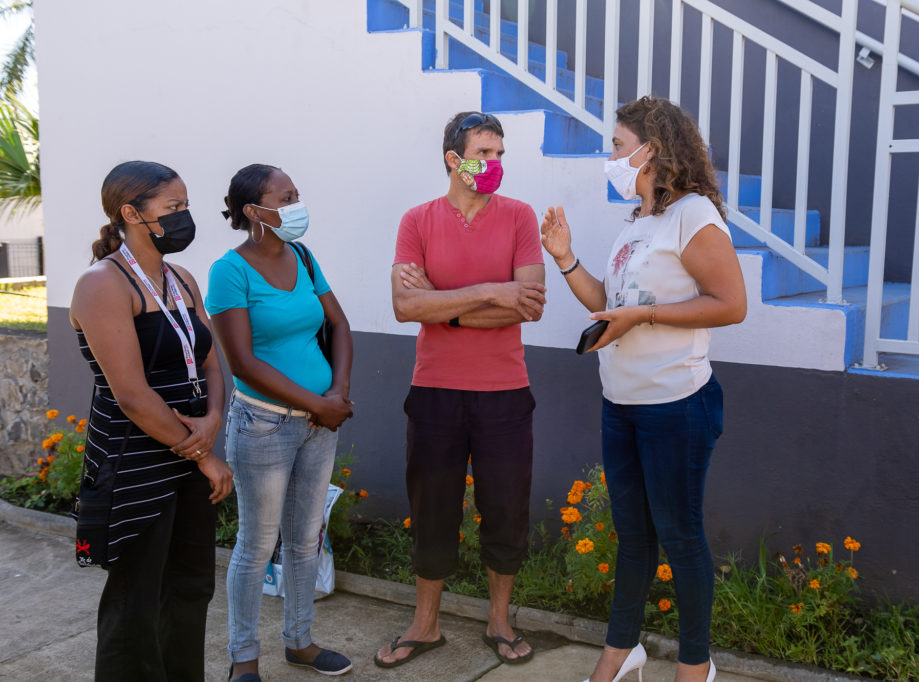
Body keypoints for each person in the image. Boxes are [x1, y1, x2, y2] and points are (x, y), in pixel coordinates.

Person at [541, 96, 747, 682]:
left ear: (649, 150)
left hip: (676, 405)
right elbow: (610, 304)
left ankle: (694, 665)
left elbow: (731, 304)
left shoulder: (694, 216)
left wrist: (646, 317)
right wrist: (565, 258)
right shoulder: (637, 221)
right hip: (621, 403)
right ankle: (621, 650)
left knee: (680, 537)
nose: (610, 157)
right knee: (633, 536)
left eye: (616, 146)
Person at [374, 111, 546, 669]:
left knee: (505, 509)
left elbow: (530, 305)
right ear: (455, 160)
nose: (495, 165)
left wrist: (443, 306)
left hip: (504, 391)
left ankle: (499, 619)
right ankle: (425, 624)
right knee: (432, 509)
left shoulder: (519, 217)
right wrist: (493, 292)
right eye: (484, 154)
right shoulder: (416, 221)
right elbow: (405, 306)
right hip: (435, 392)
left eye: (500, 154)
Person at [70, 160, 234, 681]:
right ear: (130, 213)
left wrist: (212, 420)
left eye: (186, 206)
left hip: (189, 451)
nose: (186, 217)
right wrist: (205, 453)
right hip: (135, 461)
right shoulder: (103, 284)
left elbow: (208, 360)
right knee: (135, 600)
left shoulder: (182, 278)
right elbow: (133, 396)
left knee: (189, 588)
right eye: (174, 208)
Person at [206, 164, 355, 680]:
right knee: (256, 545)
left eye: (297, 193)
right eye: (286, 196)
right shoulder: (230, 270)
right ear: (254, 211)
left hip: (320, 423)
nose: (297, 204)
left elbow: (337, 323)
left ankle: (300, 641)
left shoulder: (303, 256)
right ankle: (243, 657)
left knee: (305, 537)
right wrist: (319, 404)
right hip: (264, 426)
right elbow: (243, 363)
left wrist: (336, 393)